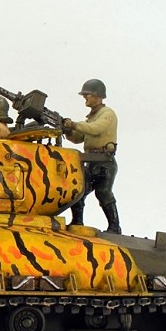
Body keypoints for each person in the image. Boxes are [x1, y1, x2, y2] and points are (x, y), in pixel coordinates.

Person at [63, 79, 121, 234]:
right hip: (92, 161)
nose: (85, 98)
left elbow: (95, 129)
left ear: (97, 95)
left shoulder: (107, 114)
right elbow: (78, 138)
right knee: (79, 191)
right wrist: (67, 130)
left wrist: (74, 124)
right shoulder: (91, 118)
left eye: (87, 95)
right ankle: (77, 221)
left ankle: (115, 226)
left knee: (103, 192)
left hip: (105, 162)